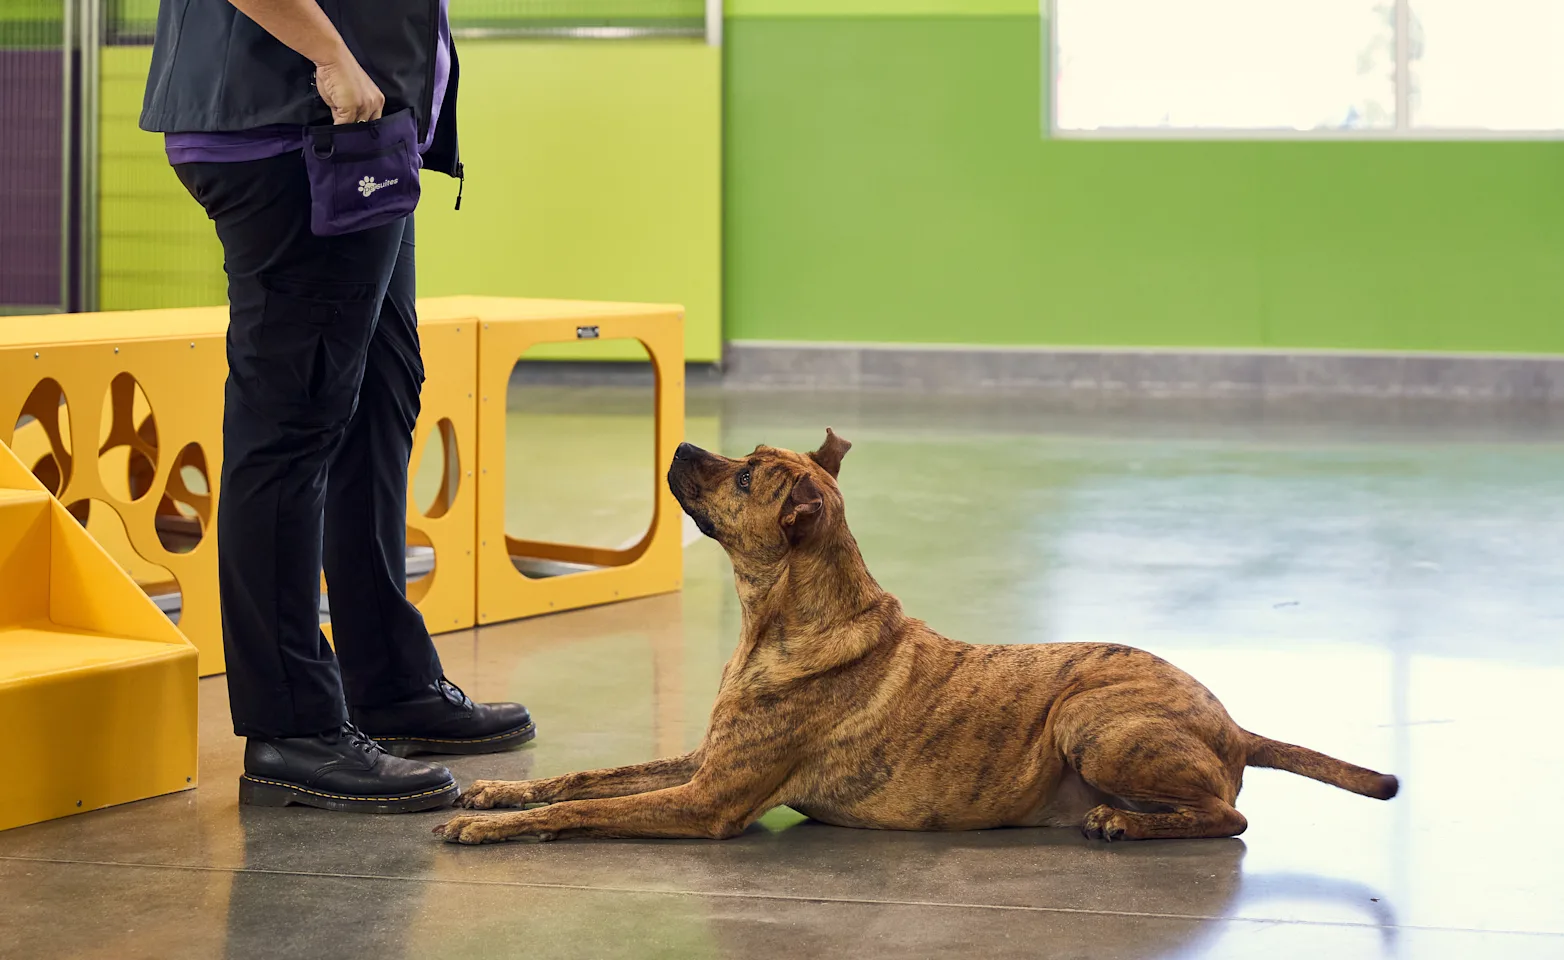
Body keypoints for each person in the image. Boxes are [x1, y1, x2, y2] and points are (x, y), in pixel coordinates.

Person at [140, 0, 533, 813]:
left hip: (362, 129)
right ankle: (292, 729)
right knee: (292, 424)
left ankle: (387, 682)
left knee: (379, 395)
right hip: (298, 126)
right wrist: (332, 56)